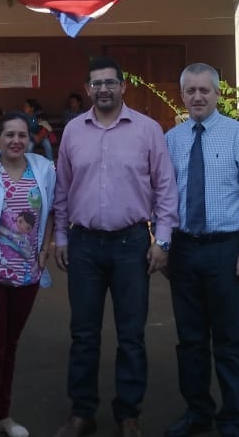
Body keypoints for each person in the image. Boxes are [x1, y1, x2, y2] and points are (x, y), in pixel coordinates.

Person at [53, 56, 179, 437]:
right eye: (96, 83)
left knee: (131, 334)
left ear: (124, 87)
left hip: (132, 244)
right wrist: (61, 236)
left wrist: (164, 240)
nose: (103, 89)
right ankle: (82, 413)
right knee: (84, 333)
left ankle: (129, 414)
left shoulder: (148, 130)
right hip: (85, 245)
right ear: (88, 89)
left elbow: (166, 188)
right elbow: (62, 189)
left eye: (110, 82)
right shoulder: (73, 131)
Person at [162, 63, 239, 437]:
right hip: (184, 251)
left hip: (227, 251)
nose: (197, 97)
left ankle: (232, 418)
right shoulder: (171, 139)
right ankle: (197, 413)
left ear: (218, 93)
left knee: (227, 339)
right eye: (190, 90)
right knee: (190, 340)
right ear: (182, 95)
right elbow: (163, 197)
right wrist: (161, 243)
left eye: (204, 90)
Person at [0, 111, 56, 437]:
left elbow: (52, 212)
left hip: (27, 274)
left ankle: (4, 416)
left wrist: (45, 249)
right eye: (9, 135)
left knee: (10, 346)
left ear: (29, 139)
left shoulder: (43, 169)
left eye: (22, 135)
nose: (16, 141)